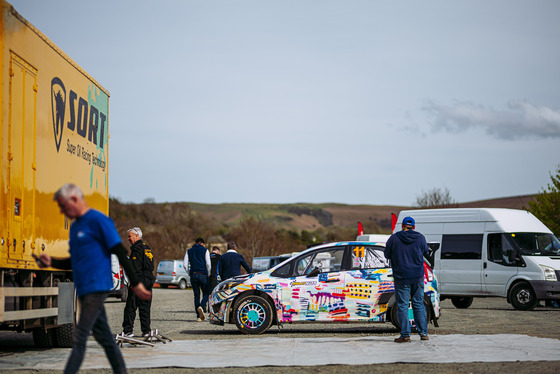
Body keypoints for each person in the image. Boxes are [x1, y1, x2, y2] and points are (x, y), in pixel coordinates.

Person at [38, 183, 151, 374]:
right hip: (83, 289)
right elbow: (73, 262)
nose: (62, 211)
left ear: (75, 199)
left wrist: (136, 284)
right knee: (105, 338)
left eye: (64, 207)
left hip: (95, 288)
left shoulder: (99, 221)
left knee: (79, 338)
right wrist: (51, 262)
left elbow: (120, 252)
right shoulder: (75, 228)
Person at [384, 216, 429, 343]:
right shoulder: (420, 238)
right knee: (418, 304)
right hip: (417, 277)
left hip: (401, 277)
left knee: (403, 305)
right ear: (414, 227)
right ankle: (423, 333)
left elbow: (387, 254)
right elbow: (426, 252)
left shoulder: (394, 238)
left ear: (402, 225)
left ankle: (405, 335)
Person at [121, 227, 155, 338]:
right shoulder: (147, 248)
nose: (128, 238)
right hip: (148, 281)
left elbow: (135, 268)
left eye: (130, 236)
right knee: (145, 308)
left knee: (131, 306)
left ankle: (127, 330)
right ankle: (146, 331)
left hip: (139, 281)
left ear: (137, 236)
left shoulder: (137, 249)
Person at [183, 238, 211, 322]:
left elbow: (185, 264)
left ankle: (198, 317)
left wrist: (189, 272)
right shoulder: (205, 250)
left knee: (196, 295)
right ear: (202, 243)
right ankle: (201, 306)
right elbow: (208, 264)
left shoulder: (189, 251)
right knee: (206, 293)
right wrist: (208, 273)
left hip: (193, 274)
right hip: (202, 274)